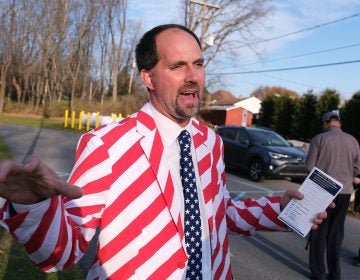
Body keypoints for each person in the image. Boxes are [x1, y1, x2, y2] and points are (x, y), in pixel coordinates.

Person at [0, 24, 329, 280]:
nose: (193, 77)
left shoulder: (211, 142)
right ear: (149, 78)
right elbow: (61, 253)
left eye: (199, 64)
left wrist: (278, 209)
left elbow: (218, 214)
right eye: (178, 66)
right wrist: (35, 205)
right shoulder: (108, 144)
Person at [306, 110, 360, 280]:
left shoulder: (319, 139)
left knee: (318, 233)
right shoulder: (353, 141)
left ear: (325, 123)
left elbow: (309, 167)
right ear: (339, 123)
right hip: (344, 193)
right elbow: (358, 170)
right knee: (335, 235)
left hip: (322, 192)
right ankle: (335, 274)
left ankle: (319, 273)